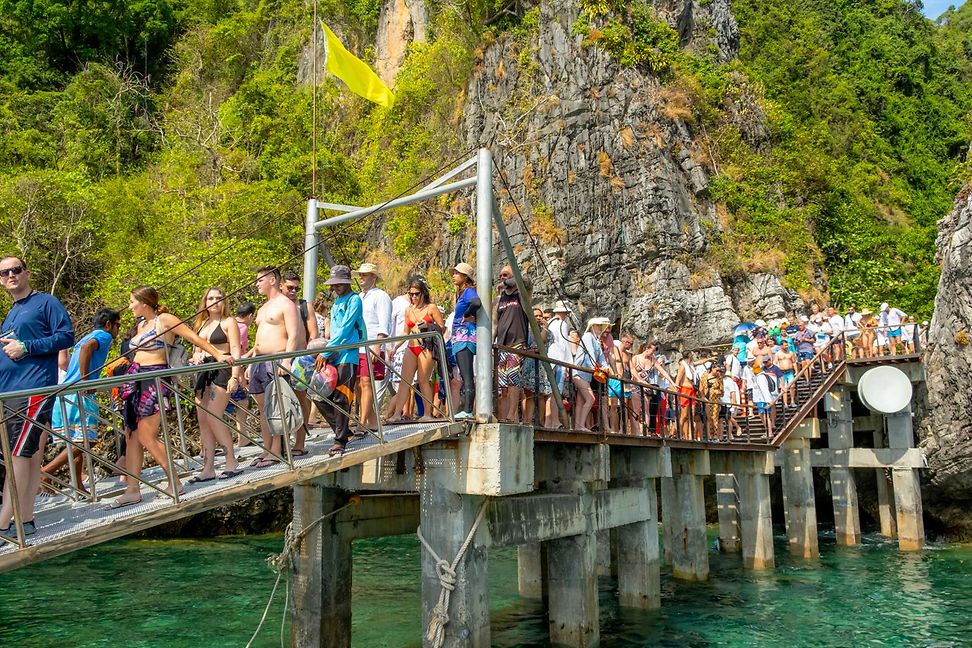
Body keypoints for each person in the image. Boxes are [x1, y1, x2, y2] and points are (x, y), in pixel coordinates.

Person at [112, 286, 232, 507]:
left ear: (144, 303)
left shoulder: (164, 320)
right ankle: (132, 489)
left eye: (132, 302)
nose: (129, 306)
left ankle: (174, 481)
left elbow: (193, 338)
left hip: (154, 380)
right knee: (131, 435)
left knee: (147, 435)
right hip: (135, 379)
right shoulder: (141, 325)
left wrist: (218, 354)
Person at [0, 256, 75, 539]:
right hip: (9, 392)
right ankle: (26, 517)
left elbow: (66, 336)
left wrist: (27, 347)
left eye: (15, 270)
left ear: (27, 273)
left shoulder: (46, 302)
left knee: (18, 455)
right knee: (25, 456)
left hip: (31, 391)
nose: (10, 275)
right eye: (4, 272)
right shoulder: (13, 311)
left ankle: (4, 523)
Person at [43, 308, 121, 497]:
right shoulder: (103, 335)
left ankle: (77, 483)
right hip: (80, 394)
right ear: (109, 324)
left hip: (67, 394)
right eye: (117, 325)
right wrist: (86, 380)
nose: (118, 330)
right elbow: (87, 349)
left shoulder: (86, 336)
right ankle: (45, 473)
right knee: (87, 441)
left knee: (76, 439)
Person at [246, 266, 300, 469]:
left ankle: (277, 450)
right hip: (259, 360)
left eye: (260, 280)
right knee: (262, 408)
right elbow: (260, 338)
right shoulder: (262, 309)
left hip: (276, 359)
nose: (257, 284)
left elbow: (293, 334)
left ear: (272, 280)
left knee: (275, 406)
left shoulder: (286, 304)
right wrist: (249, 360)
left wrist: (287, 360)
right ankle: (267, 447)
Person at [188, 288, 243, 482]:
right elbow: (195, 350)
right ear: (205, 302)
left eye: (219, 298)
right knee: (203, 419)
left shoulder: (229, 322)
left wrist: (235, 376)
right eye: (210, 298)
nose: (215, 301)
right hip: (203, 372)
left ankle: (231, 460)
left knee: (214, 416)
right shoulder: (201, 324)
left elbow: (236, 349)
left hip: (222, 370)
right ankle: (208, 467)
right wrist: (197, 356)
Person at [316, 265, 365, 456]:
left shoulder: (354, 300)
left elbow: (346, 329)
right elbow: (334, 331)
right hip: (333, 352)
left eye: (338, 284)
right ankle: (342, 429)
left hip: (348, 354)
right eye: (333, 284)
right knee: (319, 393)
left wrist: (327, 351)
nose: (335, 287)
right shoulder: (336, 302)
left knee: (342, 397)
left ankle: (340, 439)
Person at [385, 277, 444, 423]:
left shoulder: (431, 308)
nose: (414, 297)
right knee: (405, 381)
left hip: (426, 347)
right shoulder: (408, 310)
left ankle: (427, 413)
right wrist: (395, 347)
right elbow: (406, 332)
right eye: (411, 294)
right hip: (411, 346)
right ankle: (397, 413)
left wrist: (428, 327)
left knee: (423, 380)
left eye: (417, 293)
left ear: (423, 293)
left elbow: (442, 327)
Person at [280, 271, 316, 456]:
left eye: (296, 288)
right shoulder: (275, 306)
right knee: (280, 402)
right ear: (280, 286)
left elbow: (314, 334)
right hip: (277, 359)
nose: (293, 291)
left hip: (299, 359)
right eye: (289, 287)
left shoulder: (303, 306)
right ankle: (280, 444)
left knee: (300, 399)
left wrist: (310, 358)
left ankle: (300, 442)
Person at [353, 263, 392, 433]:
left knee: (366, 382)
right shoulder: (359, 297)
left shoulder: (381, 296)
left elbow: (384, 323)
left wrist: (377, 346)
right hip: (357, 346)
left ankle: (362, 422)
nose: (361, 277)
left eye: (365, 275)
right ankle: (371, 420)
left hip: (371, 345)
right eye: (360, 275)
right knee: (358, 384)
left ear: (374, 277)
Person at [493, 266, 530, 423]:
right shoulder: (498, 299)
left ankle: (512, 414)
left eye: (505, 275)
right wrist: (490, 343)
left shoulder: (521, 294)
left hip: (517, 342)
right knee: (501, 382)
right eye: (500, 275)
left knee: (512, 377)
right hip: (501, 344)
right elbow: (494, 323)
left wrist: (509, 282)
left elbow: (526, 282)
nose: (502, 277)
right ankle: (503, 416)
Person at [450, 263, 480, 420]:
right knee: (464, 373)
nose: (454, 276)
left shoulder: (468, 291)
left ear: (465, 277)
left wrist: (467, 314)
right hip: (460, 336)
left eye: (457, 273)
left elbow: (476, 303)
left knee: (467, 374)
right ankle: (467, 409)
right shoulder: (462, 294)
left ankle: (468, 410)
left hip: (465, 336)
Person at [573, 317, 610, 432]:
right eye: (598, 326)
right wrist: (595, 368)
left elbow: (601, 358)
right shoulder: (588, 336)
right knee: (590, 398)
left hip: (586, 374)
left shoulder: (597, 341)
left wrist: (605, 368)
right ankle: (580, 425)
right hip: (579, 372)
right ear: (592, 326)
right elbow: (590, 353)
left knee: (580, 401)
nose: (600, 329)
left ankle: (577, 425)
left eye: (601, 326)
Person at [228, 302, 255, 447]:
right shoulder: (242, 328)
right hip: (234, 370)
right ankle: (242, 437)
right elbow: (237, 351)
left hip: (225, 369)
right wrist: (254, 350)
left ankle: (242, 437)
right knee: (242, 402)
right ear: (250, 316)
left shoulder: (229, 323)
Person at [544, 301, 573, 429]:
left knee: (550, 393)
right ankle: (555, 421)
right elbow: (564, 344)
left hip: (549, 359)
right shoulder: (562, 324)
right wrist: (568, 363)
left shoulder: (549, 323)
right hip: (558, 360)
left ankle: (548, 421)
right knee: (556, 393)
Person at [698, 362, 724, 440]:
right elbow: (701, 387)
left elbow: (722, 392)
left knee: (715, 417)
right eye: (717, 370)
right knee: (708, 418)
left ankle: (715, 436)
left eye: (719, 371)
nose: (718, 372)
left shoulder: (719, 378)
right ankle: (709, 435)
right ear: (712, 369)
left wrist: (717, 391)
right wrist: (702, 396)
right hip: (707, 399)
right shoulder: (705, 376)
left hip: (715, 401)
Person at [774, 339, 797, 408]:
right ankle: (785, 403)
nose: (786, 346)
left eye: (787, 345)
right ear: (781, 346)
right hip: (782, 373)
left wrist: (796, 371)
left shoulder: (791, 353)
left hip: (790, 372)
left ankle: (792, 401)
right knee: (784, 388)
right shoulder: (778, 354)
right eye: (785, 345)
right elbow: (775, 363)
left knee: (792, 386)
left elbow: (794, 362)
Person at [721, 362, 742, 438]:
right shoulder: (718, 380)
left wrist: (734, 404)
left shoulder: (729, 381)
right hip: (720, 402)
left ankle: (733, 431)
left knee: (728, 418)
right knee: (724, 419)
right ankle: (730, 433)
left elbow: (733, 393)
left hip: (728, 402)